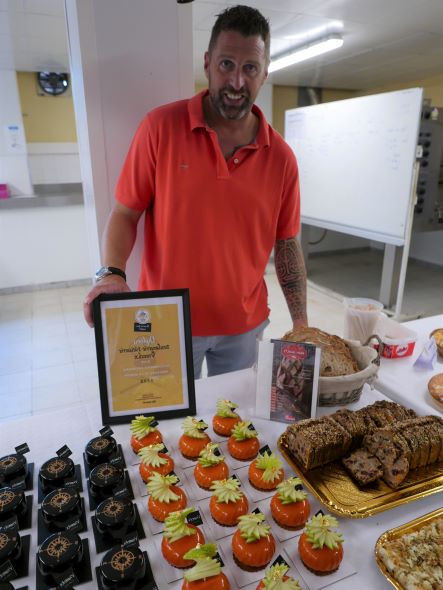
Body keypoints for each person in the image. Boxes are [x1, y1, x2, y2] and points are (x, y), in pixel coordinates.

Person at [84, 4, 307, 378]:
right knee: (170, 416)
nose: (237, 82)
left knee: (230, 415)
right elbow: (124, 212)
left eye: (250, 68)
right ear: (207, 64)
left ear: (265, 73)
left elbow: (287, 242)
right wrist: (111, 274)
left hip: (242, 329)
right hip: (164, 321)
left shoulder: (281, 158)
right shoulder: (161, 128)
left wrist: (301, 322)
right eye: (226, 64)